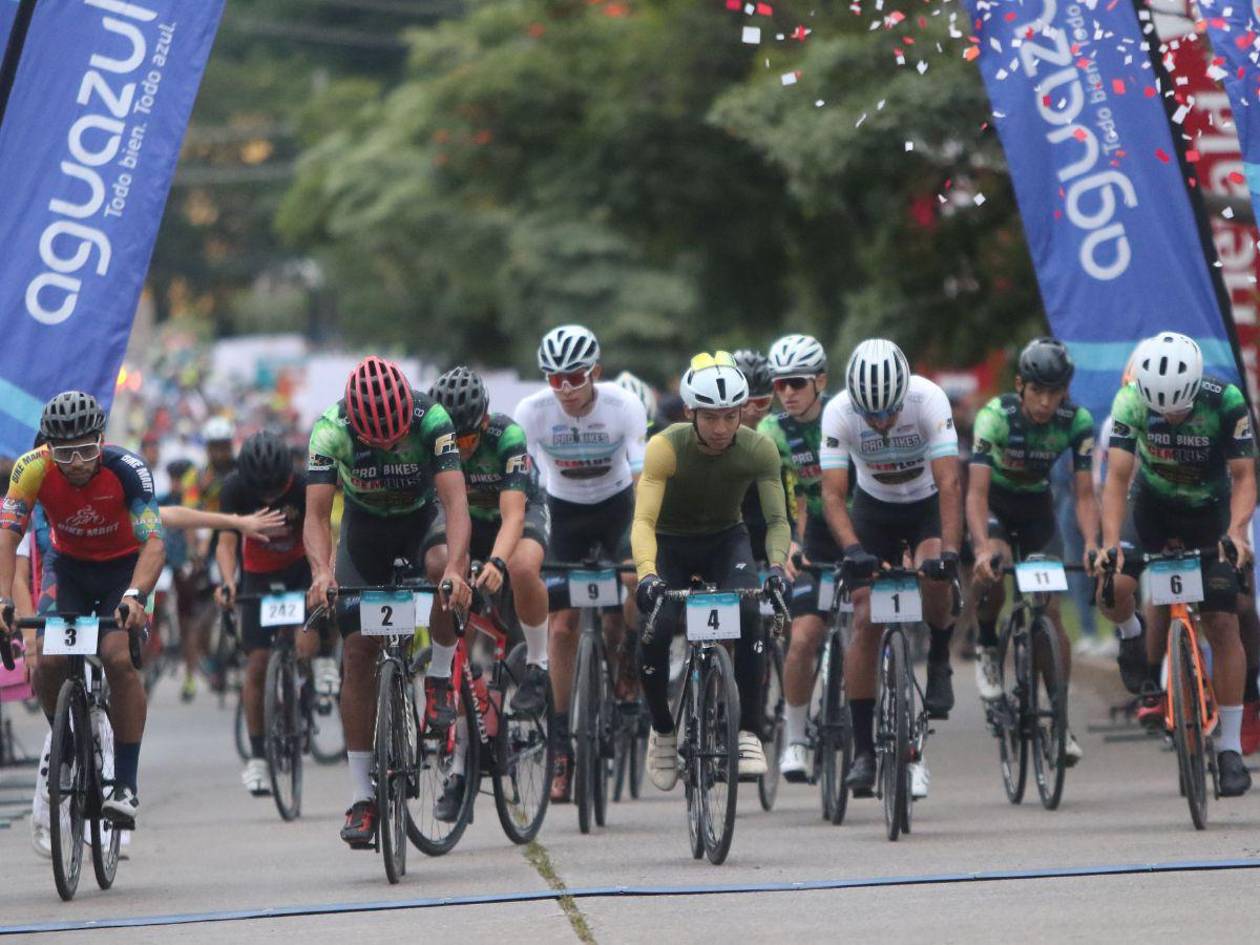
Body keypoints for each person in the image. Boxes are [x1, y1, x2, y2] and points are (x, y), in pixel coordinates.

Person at [304, 356, 473, 847]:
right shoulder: (330, 430)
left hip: (423, 521)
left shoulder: (432, 421)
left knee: (443, 568)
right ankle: (362, 797)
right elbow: (316, 517)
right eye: (376, 442)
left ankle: (440, 675)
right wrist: (320, 572)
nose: (389, 445)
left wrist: (460, 570)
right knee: (357, 653)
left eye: (396, 437)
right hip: (365, 532)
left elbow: (457, 503)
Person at [1096, 332, 1256, 796]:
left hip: (1212, 515)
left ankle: (1228, 748)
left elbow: (1246, 476)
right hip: (1152, 507)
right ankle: (1130, 637)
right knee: (1113, 588)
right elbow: (1117, 478)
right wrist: (1110, 544)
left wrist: (1238, 532)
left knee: (1223, 623)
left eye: (1177, 409)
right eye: (1159, 409)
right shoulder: (1130, 402)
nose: (1168, 417)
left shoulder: (1225, 402)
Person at [0, 391, 166, 827]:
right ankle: (66, 746)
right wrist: (2, 599)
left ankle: (125, 783)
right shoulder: (30, 468)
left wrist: (136, 595)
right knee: (48, 663)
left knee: (116, 658)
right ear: (47, 449)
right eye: (64, 453)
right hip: (68, 569)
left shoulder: (128, 470)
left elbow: (154, 542)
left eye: (86, 450)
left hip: (121, 571)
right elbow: (7, 537)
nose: (76, 462)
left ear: (101, 440)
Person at [632, 352, 791, 788]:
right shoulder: (665, 447)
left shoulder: (759, 449)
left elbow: (778, 521)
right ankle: (663, 730)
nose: (721, 429)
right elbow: (643, 521)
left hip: (726, 541)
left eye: (730, 416)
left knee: (750, 613)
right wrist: (647, 574)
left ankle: (748, 732)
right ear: (690, 412)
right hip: (670, 544)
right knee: (657, 626)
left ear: (742, 412)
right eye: (710, 418)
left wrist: (776, 567)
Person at [819, 339, 962, 799]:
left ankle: (940, 657)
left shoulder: (928, 400)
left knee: (934, 577)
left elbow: (949, 482)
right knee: (864, 616)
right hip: (873, 509)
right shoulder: (839, 412)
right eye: (870, 415)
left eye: (888, 413)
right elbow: (834, 497)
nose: (879, 424)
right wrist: (853, 549)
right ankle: (863, 749)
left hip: (924, 505)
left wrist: (952, 554)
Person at [514, 325, 648, 802]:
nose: (566, 389)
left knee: (634, 575)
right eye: (555, 379)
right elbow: (524, 486)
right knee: (562, 625)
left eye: (575, 377)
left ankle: (630, 654)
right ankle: (560, 746)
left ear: (596, 372)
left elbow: (641, 481)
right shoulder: (531, 412)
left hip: (616, 508)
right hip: (564, 511)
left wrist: (643, 541)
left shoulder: (622, 407)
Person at [424, 366, 551, 818]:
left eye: (468, 440)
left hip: (516, 516)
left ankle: (537, 660)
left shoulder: (506, 436)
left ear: (483, 421)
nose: (459, 448)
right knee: (443, 582)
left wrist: (496, 562)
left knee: (520, 565)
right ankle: (461, 768)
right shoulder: (431, 438)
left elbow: (514, 515)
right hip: (467, 524)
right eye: (451, 441)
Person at [967, 337, 1097, 766]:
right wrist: (983, 549)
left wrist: (1094, 545)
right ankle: (987, 647)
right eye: (1037, 391)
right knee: (996, 570)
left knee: (1050, 612)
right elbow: (977, 492)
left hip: (1038, 512)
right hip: (997, 507)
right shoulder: (995, 418)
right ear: (1020, 385)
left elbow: (1083, 496)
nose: (1045, 402)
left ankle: (1058, 721)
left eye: (1054, 392)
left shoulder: (1076, 422)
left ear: (1065, 391)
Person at [214, 431, 319, 797]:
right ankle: (258, 758)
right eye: (264, 492)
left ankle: (309, 675)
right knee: (257, 664)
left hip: (299, 566)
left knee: (305, 639)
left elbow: (321, 532)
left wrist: (322, 576)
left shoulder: (304, 484)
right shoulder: (235, 489)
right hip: (257, 574)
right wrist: (228, 583)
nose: (272, 498)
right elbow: (226, 543)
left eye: (277, 489)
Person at [756, 333, 839, 782]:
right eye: (780, 384)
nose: (786, 393)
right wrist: (787, 542)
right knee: (803, 636)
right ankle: (797, 735)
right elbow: (782, 498)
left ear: (820, 381)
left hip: (857, 524)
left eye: (797, 383)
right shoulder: (772, 431)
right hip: (810, 534)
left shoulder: (843, 415)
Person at [176, 415, 238, 702]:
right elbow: (189, 517)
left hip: (242, 533)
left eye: (224, 446)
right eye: (215, 447)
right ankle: (211, 649)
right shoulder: (197, 477)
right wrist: (194, 550)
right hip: (213, 538)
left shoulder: (242, 470)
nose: (220, 453)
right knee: (208, 599)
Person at [732, 349, 794, 563]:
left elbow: (796, 500)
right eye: (743, 403)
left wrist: (796, 542)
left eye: (761, 403)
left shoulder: (784, 435)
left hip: (778, 540)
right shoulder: (714, 437)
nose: (752, 411)